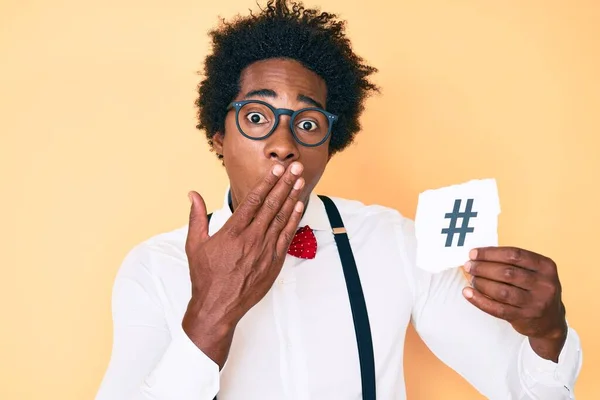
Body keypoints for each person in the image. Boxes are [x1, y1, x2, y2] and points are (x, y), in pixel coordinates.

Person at [95, 1, 582, 399]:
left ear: (330, 145)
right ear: (219, 135)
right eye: (258, 117)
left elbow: (529, 390)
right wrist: (209, 314)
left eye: (307, 124)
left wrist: (548, 335)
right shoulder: (154, 268)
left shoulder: (395, 241)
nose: (283, 143)